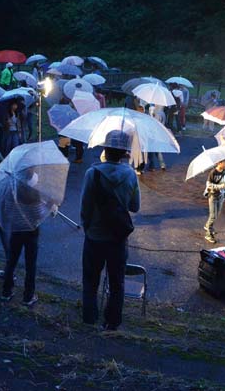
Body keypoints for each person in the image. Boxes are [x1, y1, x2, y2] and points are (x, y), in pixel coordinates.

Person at [80, 130, 141, 330]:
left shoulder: (92, 173)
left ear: (105, 149)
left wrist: (87, 227)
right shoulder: (130, 174)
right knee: (117, 282)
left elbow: (85, 208)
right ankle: (112, 321)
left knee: (90, 280)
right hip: (117, 238)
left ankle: (89, 318)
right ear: (124, 152)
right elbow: (134, 206)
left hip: (95, 237)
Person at [0, 168, 48, 306]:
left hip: (16, 230)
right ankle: (28, 296)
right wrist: (50, 206)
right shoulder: (35, 194)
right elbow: (39, 214)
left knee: (11, 260)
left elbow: (7, 210)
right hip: (31, 232)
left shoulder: (12, 192)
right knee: (30, 264)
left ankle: (6, 292)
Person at [203, 159, 225, 243]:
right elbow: (209, 185)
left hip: (221, 196)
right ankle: (208, 234)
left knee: (216, 215)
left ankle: (208, 226)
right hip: (213, 196)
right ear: (219, 163)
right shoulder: (213, 172)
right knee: (213, 216)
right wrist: (220, 186)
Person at [147, 105, 166, 171]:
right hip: (159, 135)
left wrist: (151, 116)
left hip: (152, 135)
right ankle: (162, 164)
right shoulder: (162, 113)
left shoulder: (154, 115)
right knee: (158, 150)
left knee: (151, 151)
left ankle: (152, 166)